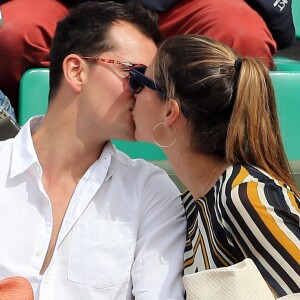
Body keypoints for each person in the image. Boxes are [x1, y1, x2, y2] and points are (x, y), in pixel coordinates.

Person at [0, 2, 186, 299]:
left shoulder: (151, 192)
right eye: (135, 76)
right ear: (76, 71)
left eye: (150, 84)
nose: (146, 96)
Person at [130, 34, 300, 297]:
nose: (132, 93)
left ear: (170, 112)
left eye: (139, 81)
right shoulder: (193, 205)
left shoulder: (246, 198)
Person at [0, 0, 294, 119]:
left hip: (182, 6)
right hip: (72, 5)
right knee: (11, 32)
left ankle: (225, 182)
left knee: (240, 35)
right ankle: (19, 161)